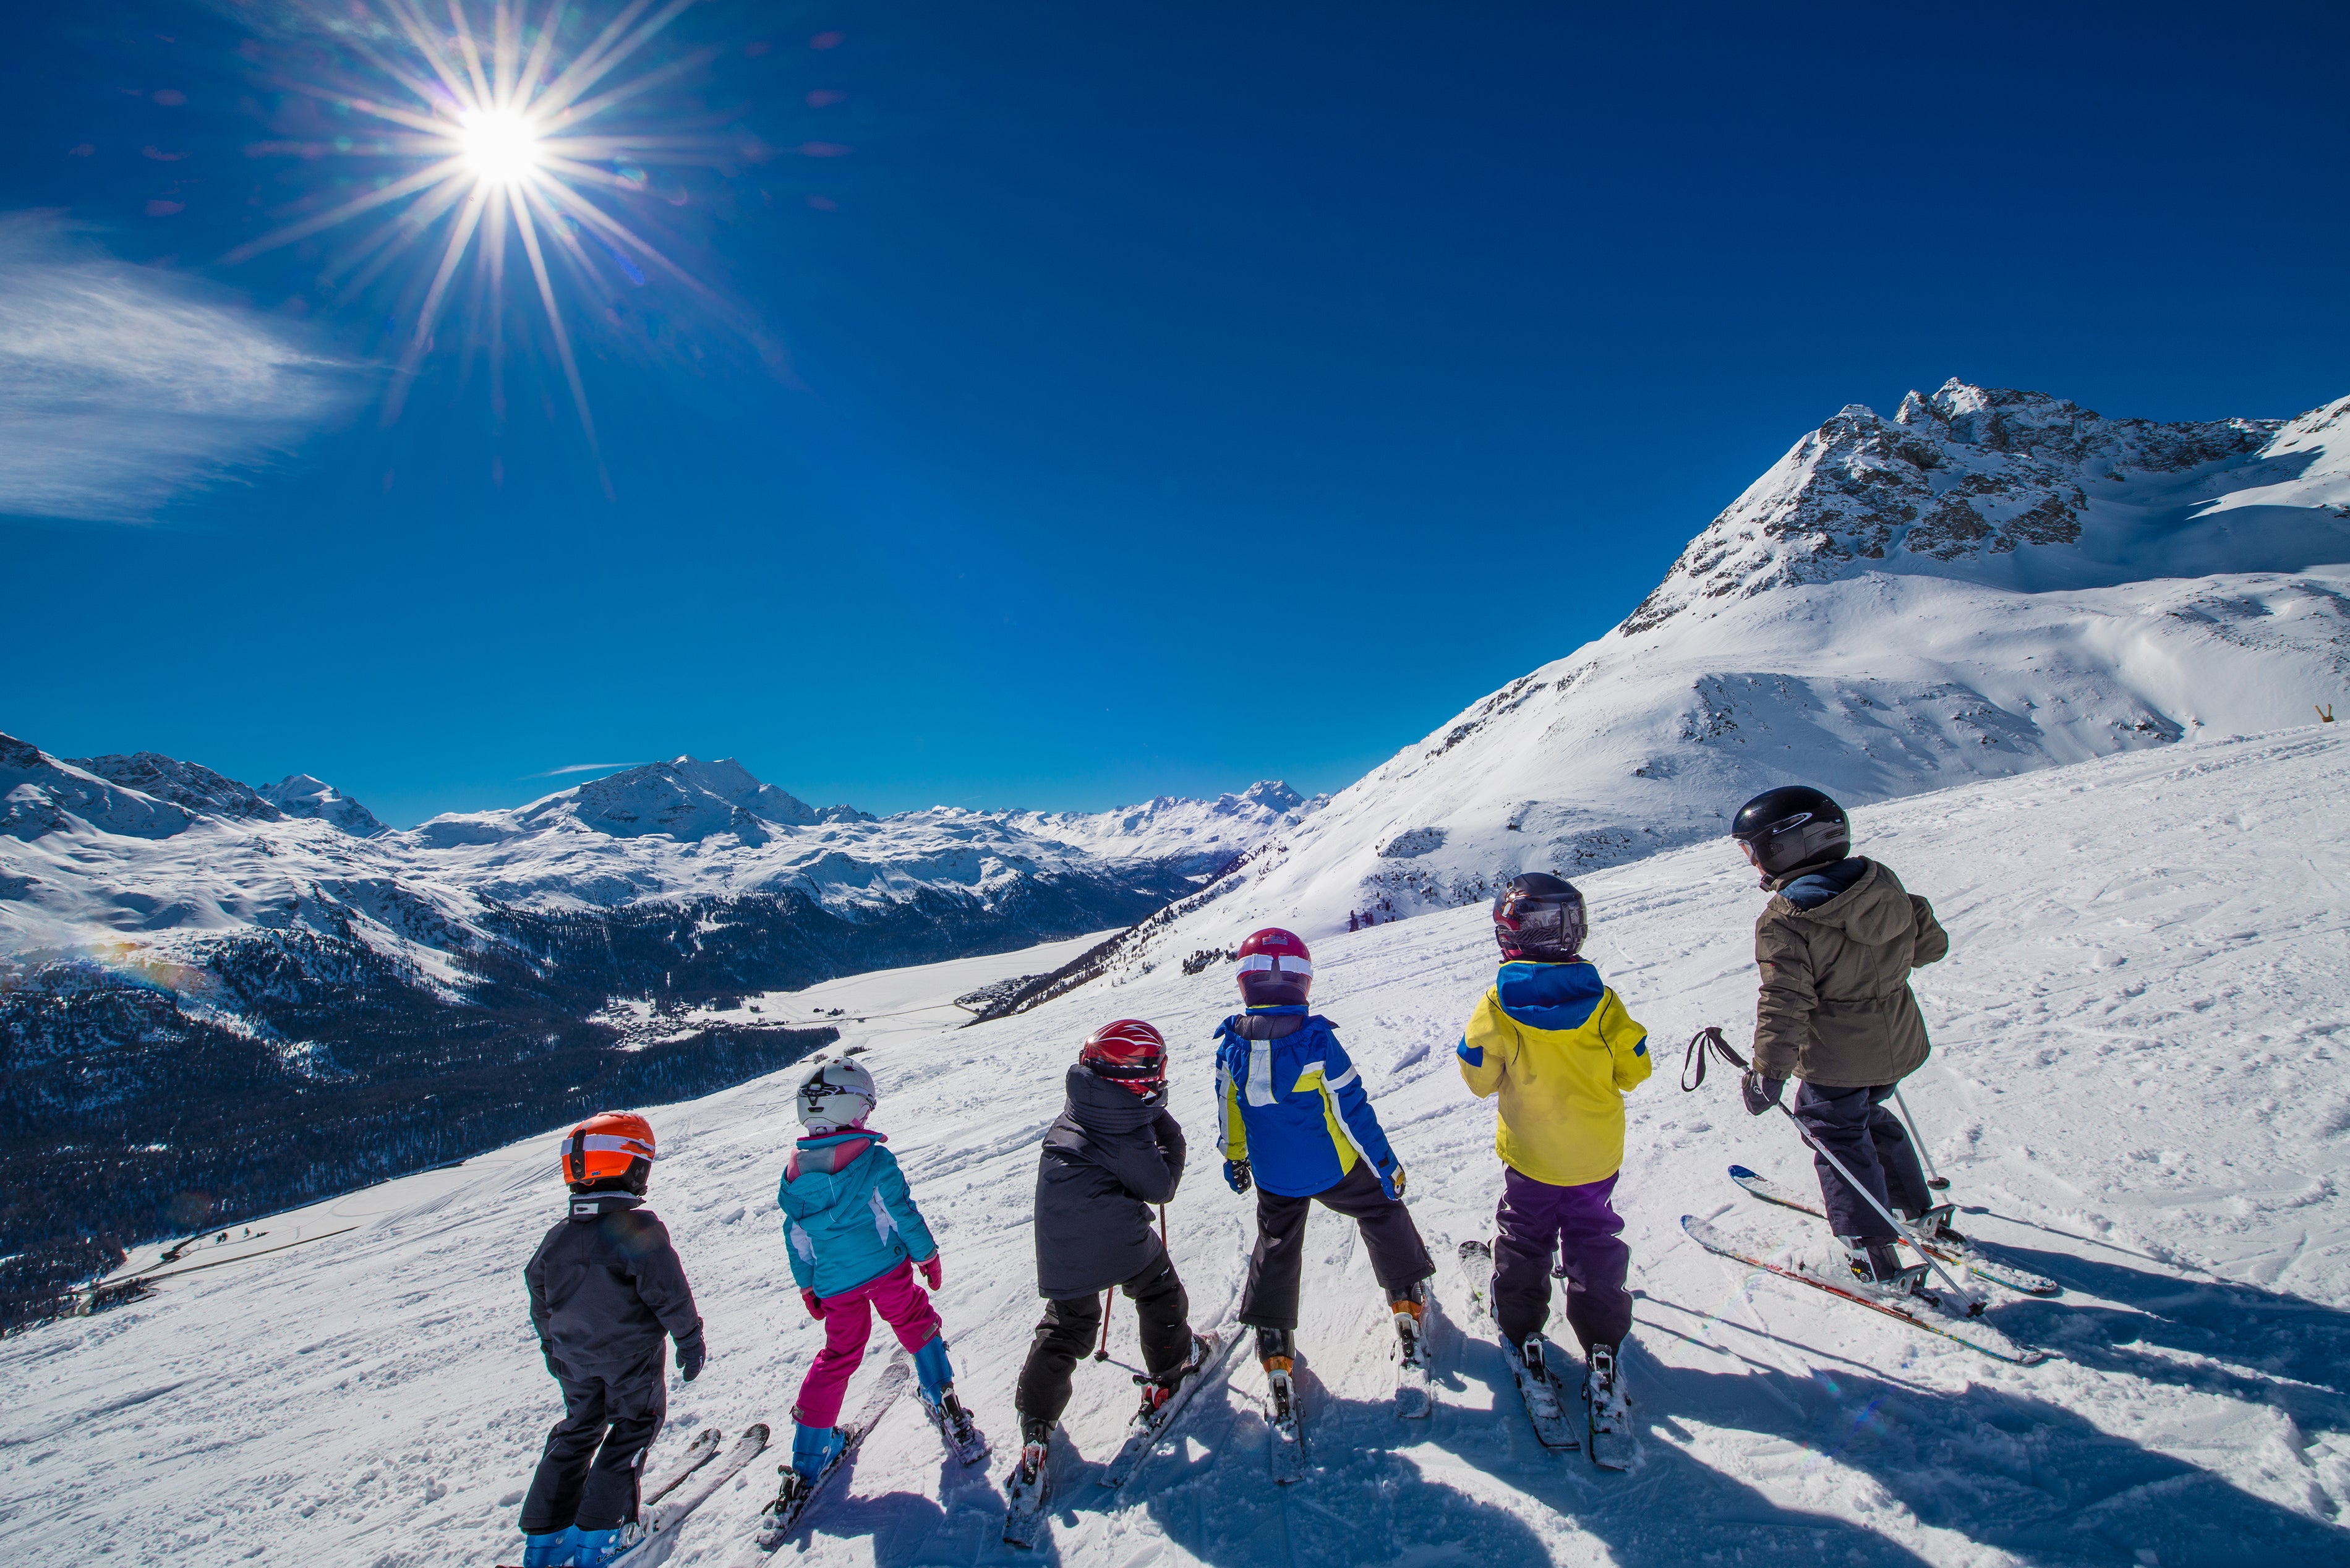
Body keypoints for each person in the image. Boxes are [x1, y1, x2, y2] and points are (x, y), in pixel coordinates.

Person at [1728, 785, 1955, 1298]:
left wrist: (1769, 1072)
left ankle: (1867, 1251)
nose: (1751, 863)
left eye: (1753, 849)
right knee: (1867, 1114)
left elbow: (1785, 1003)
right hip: (1898, 1039)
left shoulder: (1787, 918)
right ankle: (1912, 1206)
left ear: (1788, 846)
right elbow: (1931, 948)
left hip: (1837, 1054)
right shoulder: (1882, 881)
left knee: (1834, 1131)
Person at [1456, 874, 1649, 1422]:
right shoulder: (1604, 1002)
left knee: (1526, 1235)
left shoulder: (1497, 1004)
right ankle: (1603, 1341)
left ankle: (1522, 1326)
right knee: (1593, 1236)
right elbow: (1636, 1069)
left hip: (1532, 1157)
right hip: (1594, 1156)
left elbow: (1478, 1076)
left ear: (1509, 935)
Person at [1214, 927, 1433, 1410]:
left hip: (1274, 1177)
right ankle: (1406, 1297)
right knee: (1380, 1209)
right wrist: (1385, 1165)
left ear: (1245, 984)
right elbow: (1354, 1111)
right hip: (1334, 1169)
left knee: (1276, 1241)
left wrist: (1234, 1157)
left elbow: (1229, 1111)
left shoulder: (1231, 1048)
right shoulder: (1317, 1043)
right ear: (1303, 982)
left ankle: (1274, 1345)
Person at [1007, 1020, 1208, 1491]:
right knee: (1158, 1291)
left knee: (1069, 1321)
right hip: (1115, 1234)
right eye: (1156, 1073)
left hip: (1059, 1236)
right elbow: (1161, 1187)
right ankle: (1169, 1372)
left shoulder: (1083, 1103)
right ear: (1139, 1078)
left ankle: (1036, 1420)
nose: (1161, 1080)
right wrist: (1164, 1125)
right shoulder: (1129, 1129)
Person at [776, 1056, 983, 1506]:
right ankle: (943, 1396)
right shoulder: (874, 1161)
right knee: (914, 1320)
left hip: (835, 1286)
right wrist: (927, 1255)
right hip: (887, 1271)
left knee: (839, 1355)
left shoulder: (793, 1178)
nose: (868, 1117)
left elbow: (797, 1240)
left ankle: (808, 1457)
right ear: (848, 1110)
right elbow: (901, 1213)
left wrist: (807, 1285)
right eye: (865, 1109)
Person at [520, 1112, 706, 1568]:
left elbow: (540, 1299)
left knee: (579, 1430)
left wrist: (555, 1352)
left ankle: (545, 1540)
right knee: (634, 1429)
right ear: (629, 1167)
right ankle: (603, 1535)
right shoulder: (638, 1230)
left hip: (575, 1361)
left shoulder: (557, 1239)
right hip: (631, 1360)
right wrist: (689, 1338)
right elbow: (668, 1292)